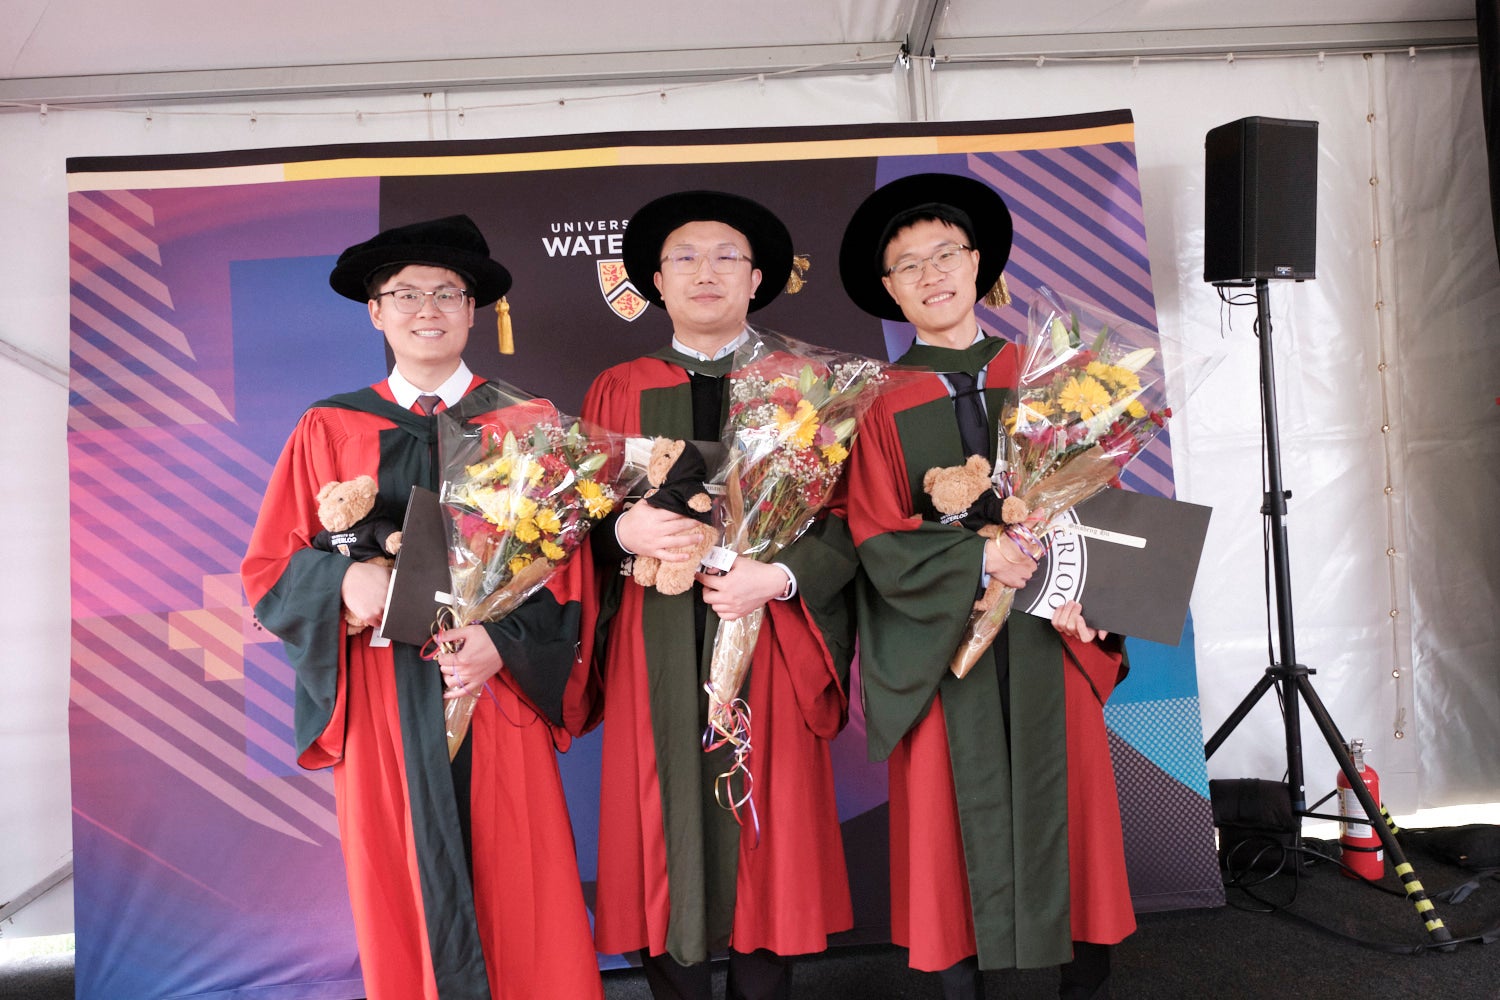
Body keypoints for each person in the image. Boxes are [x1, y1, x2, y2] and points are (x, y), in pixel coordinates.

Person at [241, 215, 603, 1000]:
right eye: (405, 294)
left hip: (495, 688)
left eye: (446, 292)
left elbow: (573, 573)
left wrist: (505, 642)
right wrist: (342, 584)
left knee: (520, 879)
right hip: (383, 696)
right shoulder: (329, 425)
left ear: (473, 311)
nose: (426, 308)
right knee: (400, 876)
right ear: (376, 312)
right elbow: (270, 566)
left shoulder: (529, 423)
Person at [837, 174, 1136, 1000]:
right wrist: (978, 562)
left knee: (1067, 813)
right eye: (908, 265)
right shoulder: (876, 404)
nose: (931, 275)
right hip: (948, 656)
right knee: (952, 829)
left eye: (946, 254)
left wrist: (1093, 605)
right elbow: (874, 534)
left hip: (1048, 639)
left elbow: (1103, 505)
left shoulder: (1051, 377)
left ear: (978, 264)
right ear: (890, 289)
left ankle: (1072, 978)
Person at [579, 190, 856, 1000]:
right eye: (686, 258)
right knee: (659, 813)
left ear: (757, 278)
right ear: (657, 282)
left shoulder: (806, 387)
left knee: (766, 816)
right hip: (652, 638)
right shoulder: (617, 387)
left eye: (726, 256)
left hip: (770, 632)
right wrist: (620, 533)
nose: (706, 272)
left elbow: (853, 516)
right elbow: (571, 521)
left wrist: (781, 576)